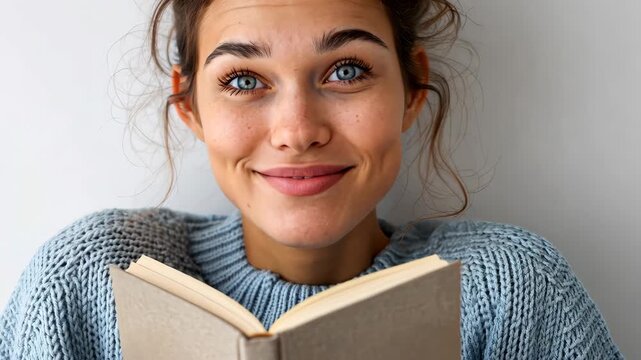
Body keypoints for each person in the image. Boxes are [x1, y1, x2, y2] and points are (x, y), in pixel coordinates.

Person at [0, 0, 623, 359]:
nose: (297, 130)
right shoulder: (89, 280)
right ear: (189, 105)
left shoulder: (510, 289)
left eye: (346, 70)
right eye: (244, 80)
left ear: (411, 90)